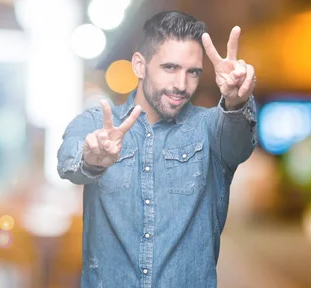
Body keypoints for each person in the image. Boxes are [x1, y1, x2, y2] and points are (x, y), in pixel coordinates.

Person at [57, 10, 257, 287]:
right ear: (140, 65)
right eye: (170, 68)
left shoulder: (209, 128)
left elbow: (239, 145)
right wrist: (92, 159)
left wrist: (236, 103)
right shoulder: (97, 123)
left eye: (193, 72)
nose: (181, 85)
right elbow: (68, 161)